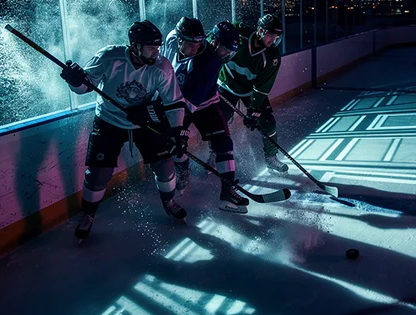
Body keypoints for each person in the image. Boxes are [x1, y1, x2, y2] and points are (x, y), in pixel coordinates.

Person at [60, 20, 188, 239]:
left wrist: (176, 132)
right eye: (151, 47)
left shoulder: (162, 67)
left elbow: (173, 102)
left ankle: (170, 201)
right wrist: (74, 80)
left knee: (165, 164)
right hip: (109, 120)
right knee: (99, 173)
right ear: (135, 46)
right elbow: (84, 87)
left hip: (144, 122)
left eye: (157, 47)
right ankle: (88, 214)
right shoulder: (110, 57)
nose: (156, 52)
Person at [163, 17, 247, 213]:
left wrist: (180, 129)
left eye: (230, 51)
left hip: (203, 104)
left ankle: (228, 192)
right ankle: (183, 170)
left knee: (223, 143)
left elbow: (190, 104)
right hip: (174, 102)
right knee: (176, 145)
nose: (226, 55)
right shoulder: (172, 38)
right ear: (214, 41)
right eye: (225, 48)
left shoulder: (211, 62)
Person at [217, 13, 289, 173]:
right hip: (226, 85)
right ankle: (215, 153)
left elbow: (262, 86)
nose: (274, 40)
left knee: (268, 121)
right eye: (271, 35)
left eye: (277, 36)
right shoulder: (238, 35)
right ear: (260, 30)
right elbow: (215, 39)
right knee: (220, 122)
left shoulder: (272, 57)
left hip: (250, 91)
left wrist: (254, 110)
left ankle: (271, 158)